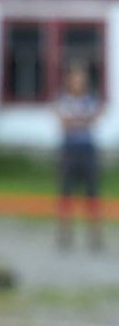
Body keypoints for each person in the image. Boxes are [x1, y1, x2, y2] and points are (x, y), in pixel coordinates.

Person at [55, 61, 104, 251]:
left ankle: (95, 235)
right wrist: (82, 120)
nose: (78, 83)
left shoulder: (90, 99)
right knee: (66, 192)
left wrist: (77, 120)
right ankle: (64, 233)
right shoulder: (64, 100)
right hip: (69, 149)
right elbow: (64, 121)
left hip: (87, 149)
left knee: (92, 193)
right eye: (75, 79)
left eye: (81, 79)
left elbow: (94, 119)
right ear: (69, 81)